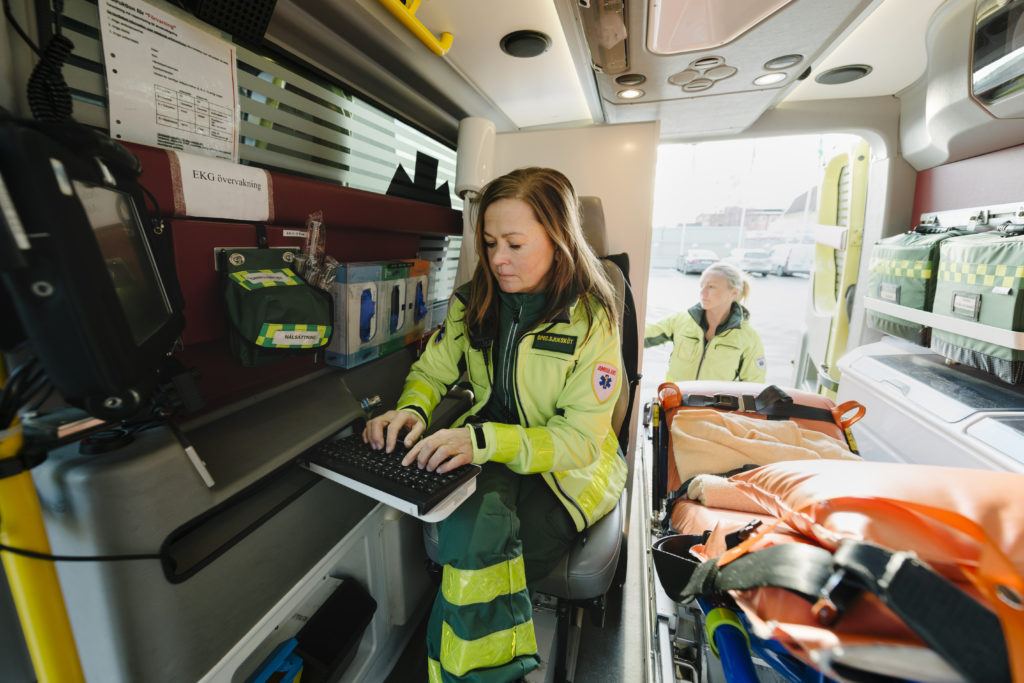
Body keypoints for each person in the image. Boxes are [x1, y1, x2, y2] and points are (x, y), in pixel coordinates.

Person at [362, 167, 627, 682]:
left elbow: (578, 441)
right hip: (490, 448)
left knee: (490, 559)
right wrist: (411, 411)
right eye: (488, 243)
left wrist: (481, 439)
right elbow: (432, 371)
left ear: (559, 239)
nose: (497, 259)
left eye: (514, 243)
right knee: (471, 535)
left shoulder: (592, 320)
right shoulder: (474, 300)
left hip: (567, 471)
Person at [644, 261, 767, 382]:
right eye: (702, 286)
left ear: (733, 293)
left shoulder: (749, 338)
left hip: (716, 403)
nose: (702, 292)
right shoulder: (680, 321)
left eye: (711, 287)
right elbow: (643, 336)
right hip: (675, 400)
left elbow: (754, 386)